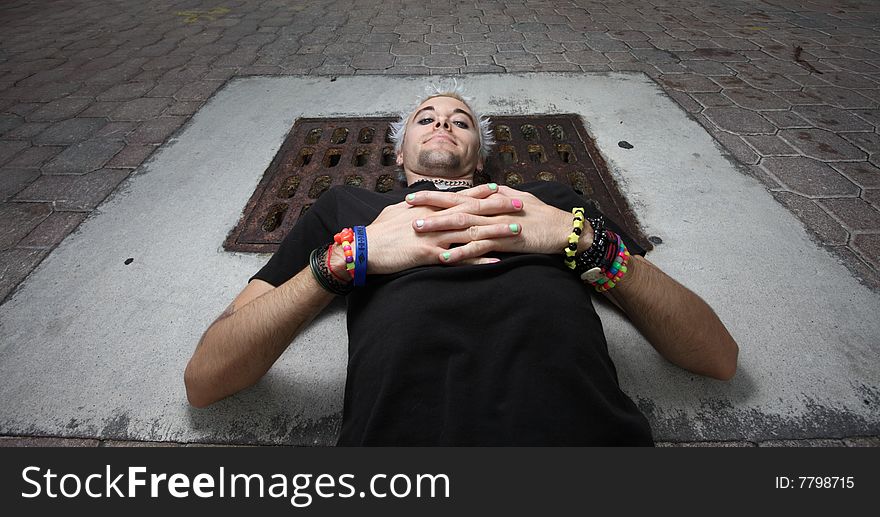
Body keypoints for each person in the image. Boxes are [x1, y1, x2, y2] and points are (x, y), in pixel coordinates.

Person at [184, 84, 739, 445]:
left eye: (460, 121)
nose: (442, 124)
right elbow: (208, 378)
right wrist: (347, 259)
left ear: (480, 156)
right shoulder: (350, 210)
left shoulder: (550, 202)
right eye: (425, 119)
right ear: (399, 157)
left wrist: (584, 241)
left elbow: (715, 356)